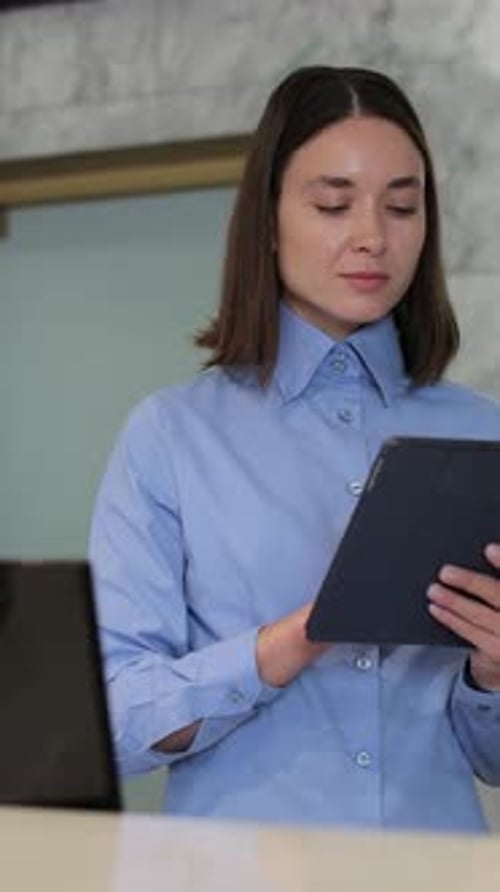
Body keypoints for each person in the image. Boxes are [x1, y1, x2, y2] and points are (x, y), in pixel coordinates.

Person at [89, 66, 500, 833]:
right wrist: (283, 646)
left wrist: (493, 674)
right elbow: (112, 719)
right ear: (269, 218)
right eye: (333, 203)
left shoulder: (486, 436)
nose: (373, 235)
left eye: (402, 206)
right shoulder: (171, 436)